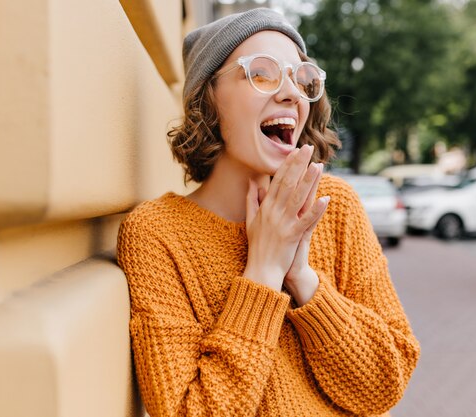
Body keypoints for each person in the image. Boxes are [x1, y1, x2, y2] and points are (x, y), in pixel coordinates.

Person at [117, 7, 419, 417]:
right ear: (207, 99)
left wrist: (303, 279)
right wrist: (262, 270)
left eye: (302, 78)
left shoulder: (336, 207)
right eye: (262, 73)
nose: (292, 94)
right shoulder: (157, 234)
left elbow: (385, 385)